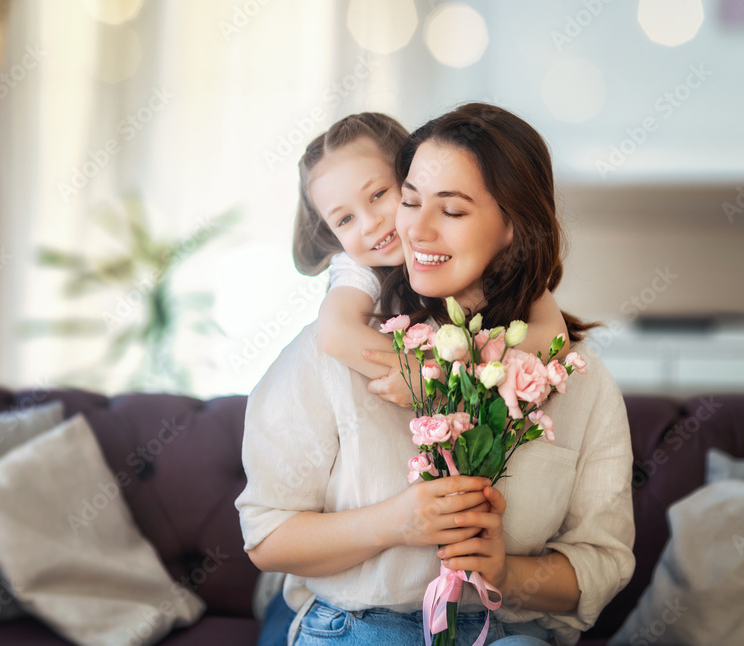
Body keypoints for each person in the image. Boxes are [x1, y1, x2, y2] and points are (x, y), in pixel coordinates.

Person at [237, 103, 635, 646]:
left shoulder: (575, 376)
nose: (412, 230)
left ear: (512, 226)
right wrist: (395, 523)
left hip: (505, 630)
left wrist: (506, 572)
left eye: (451, 210)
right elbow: (267, 537)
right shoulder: (338, 346)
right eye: (410, 201)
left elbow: (603, 562)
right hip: (364, 626)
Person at [293, 113, 570, 407]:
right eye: (345, 219)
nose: (369, 224)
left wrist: (459, 364)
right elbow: (336, 333)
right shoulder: (355, 268)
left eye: (378, 195)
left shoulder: (492, 268)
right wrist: (425, 375)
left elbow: (555, 336)